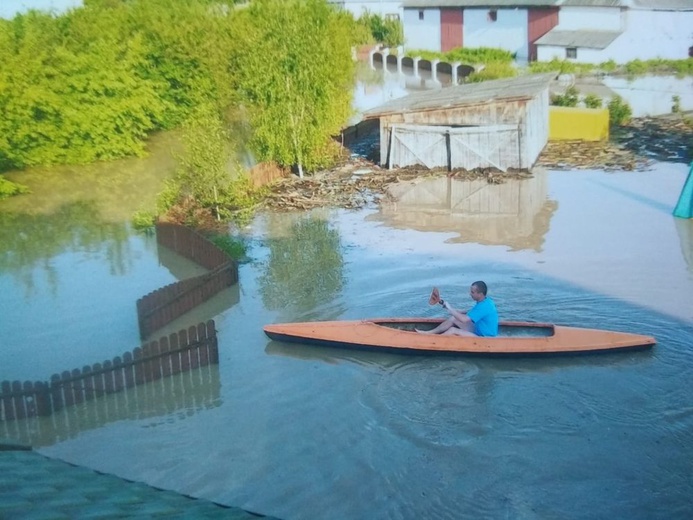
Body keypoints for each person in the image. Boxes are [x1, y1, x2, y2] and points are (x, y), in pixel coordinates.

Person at [416, 281, 498, 337]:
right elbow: (469, 312)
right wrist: (448, 307)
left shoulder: (484, 306)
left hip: (485, 337)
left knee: (453, 330)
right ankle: (429, 333)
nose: (470, 294)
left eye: (472, 292)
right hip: (478, 329)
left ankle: (434, 341)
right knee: (453, 318)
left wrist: (450, 308)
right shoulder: (485, 301)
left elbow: (464, 319)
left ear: (480, 294)